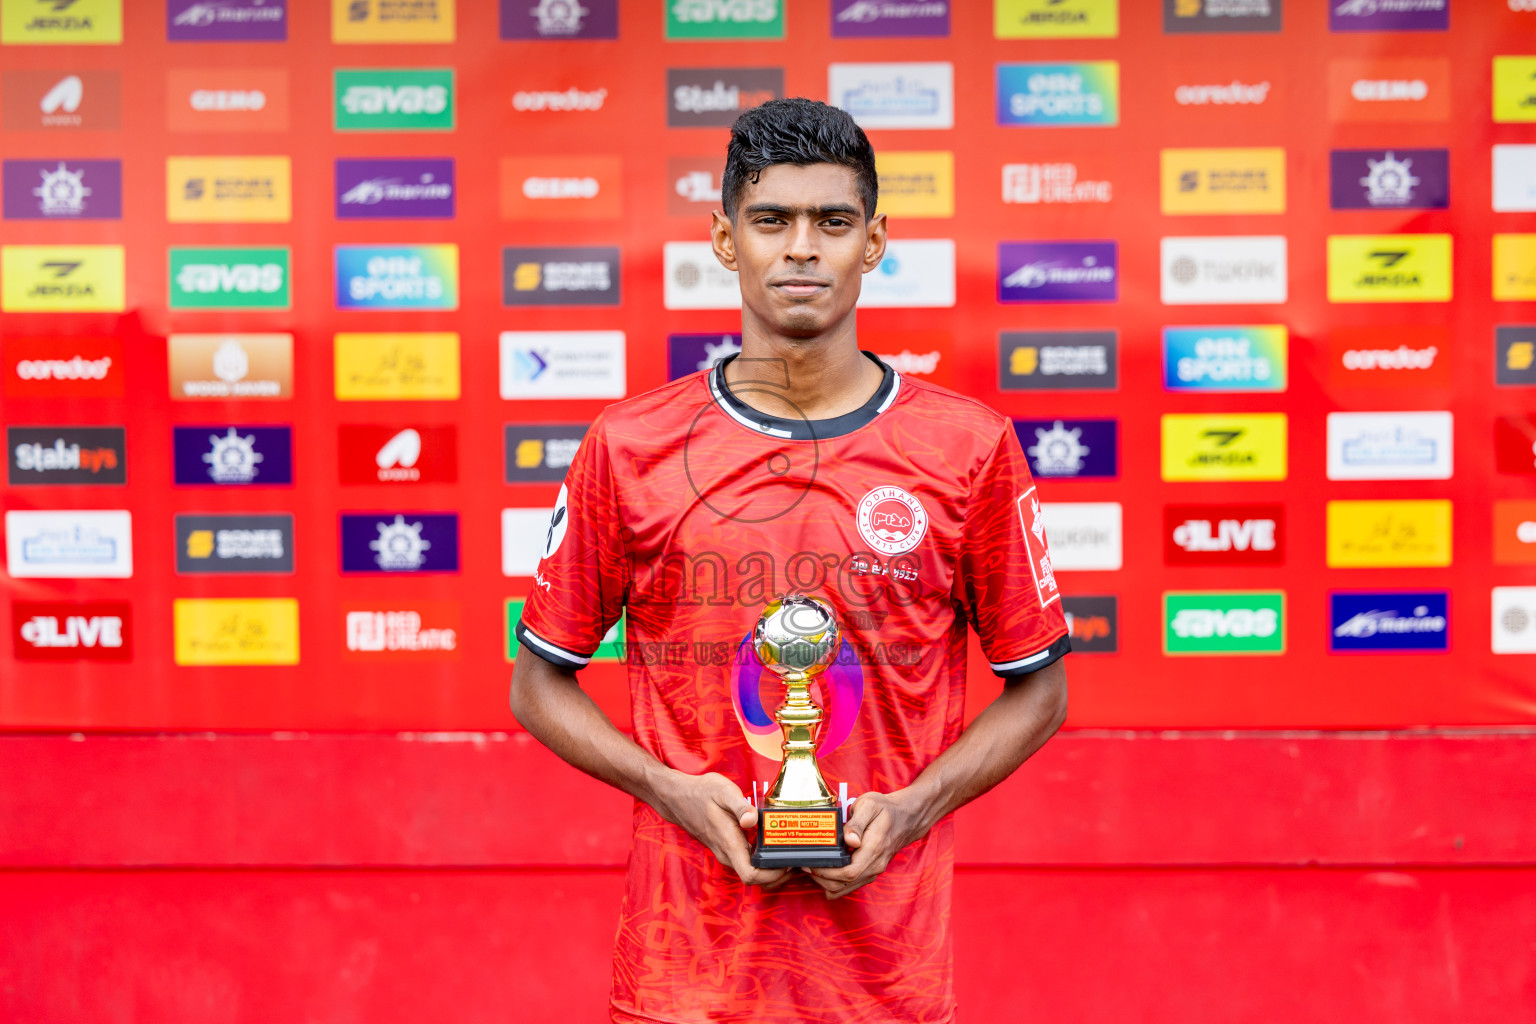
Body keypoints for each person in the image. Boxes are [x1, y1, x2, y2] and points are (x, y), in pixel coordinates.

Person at [509, 97, 1070, 1024]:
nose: (801, 248)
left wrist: (915, 807)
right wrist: (670, 789)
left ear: (875, 241)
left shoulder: (966, 448)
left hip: (883, 984)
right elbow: (538, 685)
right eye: (771, 220)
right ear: (726, 240)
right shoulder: (629, 446)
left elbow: (1040, 689)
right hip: (682, 980)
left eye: (832, 222)